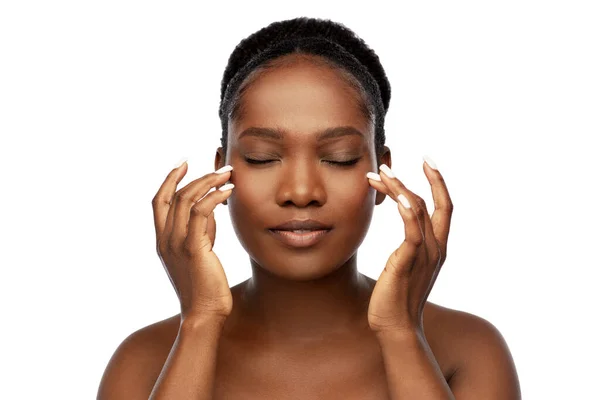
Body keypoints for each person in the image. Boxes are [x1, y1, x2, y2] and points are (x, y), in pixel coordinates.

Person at [97, 17, 521, 399]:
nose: (301, 192)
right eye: (263, 157)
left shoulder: (467, 349)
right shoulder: (145, 361)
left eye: (339, 157)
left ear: (381, 173)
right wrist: (200, 323)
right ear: (222, 173)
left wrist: (401, 334)